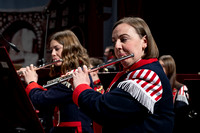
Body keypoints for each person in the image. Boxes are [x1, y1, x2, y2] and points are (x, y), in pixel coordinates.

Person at [71, 17, 174, 133]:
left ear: (144, 42)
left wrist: (81, 87)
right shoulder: (130, 73)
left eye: (124, 39)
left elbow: (104, 110)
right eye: (114, 41)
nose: (117, 46)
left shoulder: (148, 75)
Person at [19, 30, 94, 133]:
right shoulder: (65, 74)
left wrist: (31, 82)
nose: (53, 54)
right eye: (51, 50)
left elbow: (42, 100)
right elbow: (50, 95)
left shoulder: (76, 75)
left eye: (57, 49)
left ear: (70, 49)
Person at [159, 55, 189, 133]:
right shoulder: (155, 85)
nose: (159, 69)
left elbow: (181, 115)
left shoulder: (181, 88)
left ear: (170, 69)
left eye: (163, 66)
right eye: (159, 66)